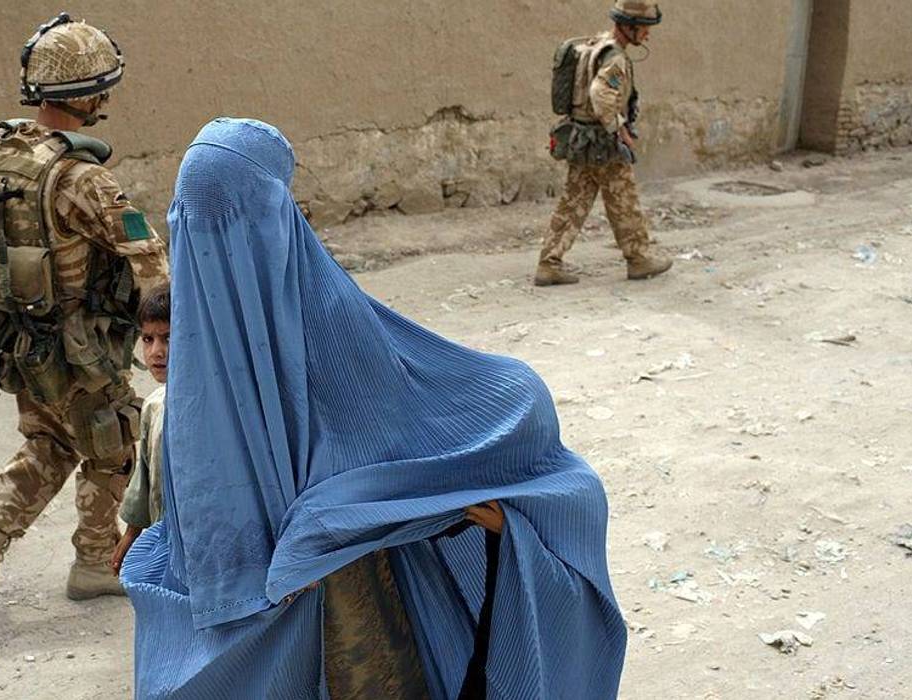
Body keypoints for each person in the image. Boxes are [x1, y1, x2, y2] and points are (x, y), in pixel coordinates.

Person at [120, 118, 626, 699]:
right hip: (326, 600)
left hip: (292, 609)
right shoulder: (295, 317)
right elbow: (431, 415)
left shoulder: (211, 352)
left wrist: (308, 532)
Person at [0, 14, 168, 601]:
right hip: (80, 346)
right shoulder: (81, 178)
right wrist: (173, 329)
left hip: (18, 341)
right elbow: (150, 262)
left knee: (53, 439)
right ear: (90, 95)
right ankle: (94, 562)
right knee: (114, 442)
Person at [536, 0, 673, 286]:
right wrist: (619, 129)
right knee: (625, 200)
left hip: (581, 139)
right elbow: (600, 94)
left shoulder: (597, 43)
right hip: (602, 143)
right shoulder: (614, 57)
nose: (648, 35)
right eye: (645, 29)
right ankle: (639, 259)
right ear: (630, 27)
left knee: (572, 202)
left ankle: (548, 263)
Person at [110, 283, 171, 575]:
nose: (157, 352)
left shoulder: (215, 407)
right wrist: (132, 533)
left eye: (168, 338)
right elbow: (143, 480)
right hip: (163, 540)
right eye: (148, 339)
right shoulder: (154, 406)